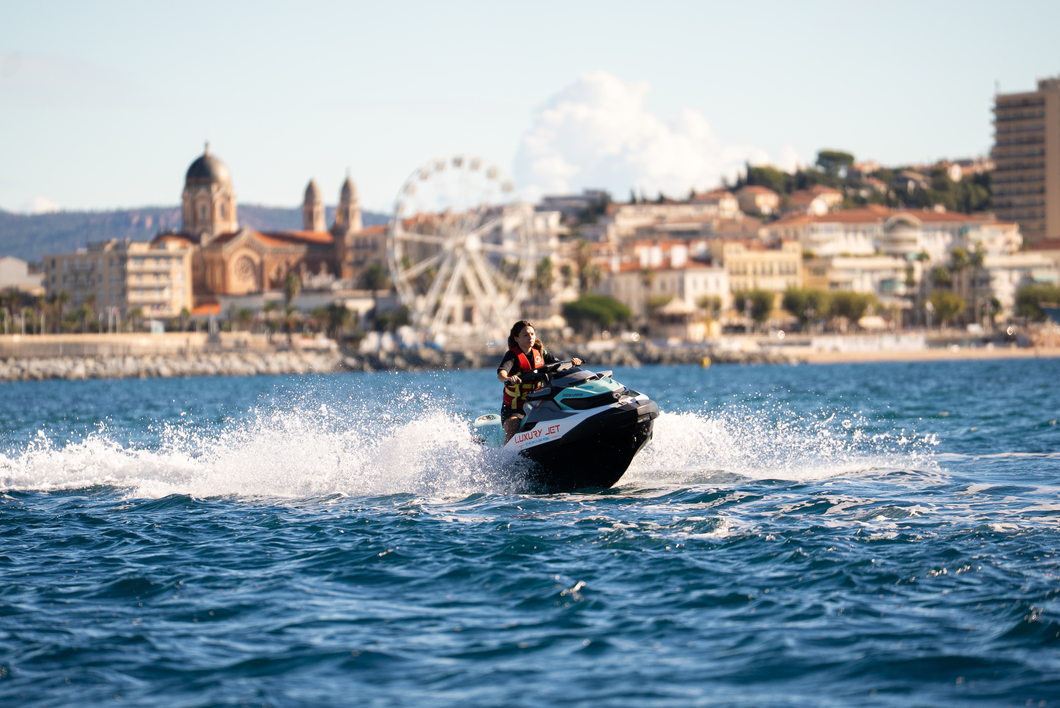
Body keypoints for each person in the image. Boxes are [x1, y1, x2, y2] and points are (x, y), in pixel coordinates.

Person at [496, 320, 582, 443]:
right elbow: (501, 373)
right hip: (514, 408)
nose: (530, 337)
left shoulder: (541, 353)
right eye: (525, 335)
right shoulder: (512, 356)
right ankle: (505, 459)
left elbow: (559, 365)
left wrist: (572, 363)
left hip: (537, 404)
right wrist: (508, 378)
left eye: (532, 334)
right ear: (516, 339)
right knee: (513, 427)